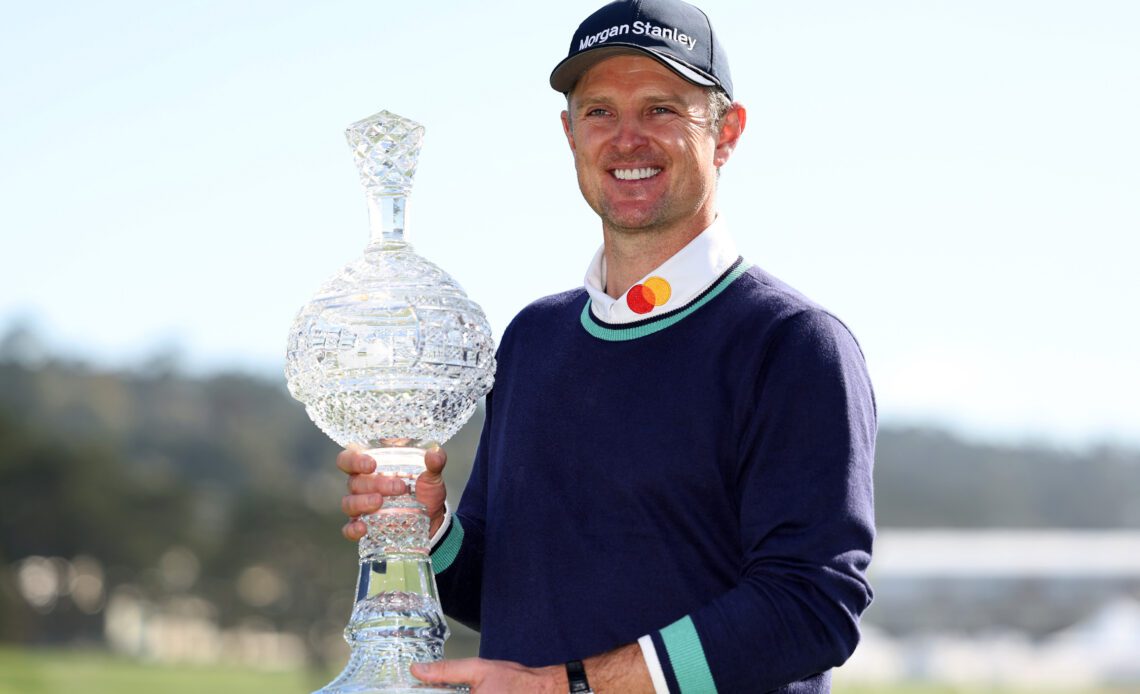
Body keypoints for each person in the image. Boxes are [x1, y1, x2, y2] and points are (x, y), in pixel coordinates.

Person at [338, 1, 876, 692]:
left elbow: (811, 607)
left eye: (661, 109)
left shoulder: (792, 344)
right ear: (569, 132)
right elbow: (502, 596)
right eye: (599, 112)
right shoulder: (534, 339)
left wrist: (573, 688)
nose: (626, 140)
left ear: (727, 132)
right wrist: (428, 528)